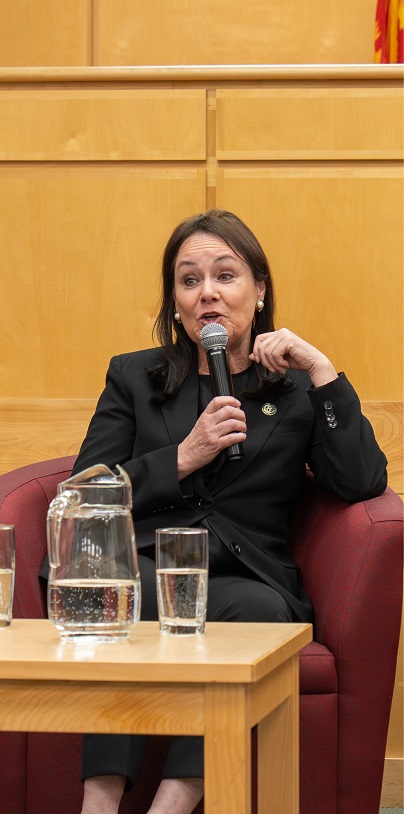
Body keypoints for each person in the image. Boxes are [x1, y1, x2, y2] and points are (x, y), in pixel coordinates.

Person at [70, 209, 387, 814]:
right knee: (121, 591)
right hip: (145, 565)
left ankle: (172, 805)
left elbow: (362, 480)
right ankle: (100, 803)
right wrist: (182, 458)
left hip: (241, 579)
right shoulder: (136, 376)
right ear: (176, 300)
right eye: (189, 280)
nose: (207, 293)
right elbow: (85, 490)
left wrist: (323, 373)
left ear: (259, 290)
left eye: (225, 275)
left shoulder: (295, 388)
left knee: (264, 612)